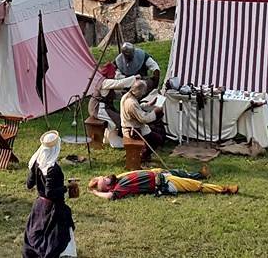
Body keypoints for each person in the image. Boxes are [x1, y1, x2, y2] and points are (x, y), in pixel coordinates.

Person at [24, 131, 76, 258]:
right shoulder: (52, 168)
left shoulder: (36, 163)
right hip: (53, 208)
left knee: (38, 234)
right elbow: (50, 192)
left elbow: (29, 184)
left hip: (40, 205)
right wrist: (66, 187)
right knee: (56, 238)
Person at [87, 168, 237, 200]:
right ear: (107, 187)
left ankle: (201, 173)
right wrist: (96, 193)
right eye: (104, 181)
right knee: (196, 185)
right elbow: (111, 196)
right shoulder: (120, 187)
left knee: (182, 172)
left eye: (103, 177)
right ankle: (224, 190)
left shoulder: (118, 178)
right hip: (164, 183)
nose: (106, 177)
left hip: (158, 173)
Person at [120, 81, 163, 162]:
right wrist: (155, 112)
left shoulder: (128, 96)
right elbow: (143, 118)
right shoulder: (130, 103)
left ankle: (142, 154)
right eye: (142, 92)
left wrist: (149, 104)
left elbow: (137, 108)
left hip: (134, 127)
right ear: (138, 90)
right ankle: (142, 156)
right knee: (157, 139)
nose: (143, 94)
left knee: (155, 134)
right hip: (132, 131)